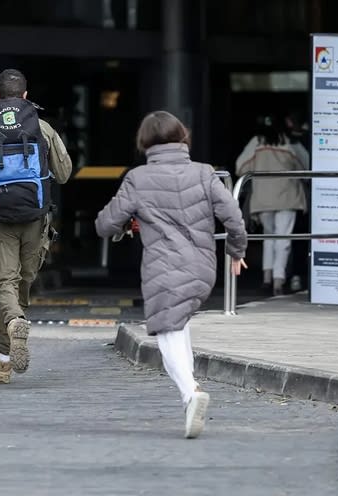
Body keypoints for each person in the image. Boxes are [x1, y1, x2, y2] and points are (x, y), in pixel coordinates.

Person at [95, 111, 248, 439]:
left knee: (167, 331)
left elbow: (105, 224)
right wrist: (237, 252)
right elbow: (233, 217)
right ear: (183, 136)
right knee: (179, 324)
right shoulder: (205, 173)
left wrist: (127, 220)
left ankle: (190, 394)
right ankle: (191, 392)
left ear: (144, 143)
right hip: (203, 267)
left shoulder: (138, 179)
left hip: (164, 268)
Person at [0, 69, 73, 385]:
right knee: (21, 286)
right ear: (26, 96)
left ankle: (11, 334)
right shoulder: (42, 128)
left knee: (5, 283)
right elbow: (64, 172)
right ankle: (3, 360)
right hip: (35, 219)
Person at [235, 115, 309, 295]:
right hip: (287, 197)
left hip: (263, 197)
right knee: (283, 239)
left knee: (269, 237)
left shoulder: (257, 142)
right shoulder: (289, 143)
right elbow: (306, 168)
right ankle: (278, 279)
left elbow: (240, 167)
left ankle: (267, 277)